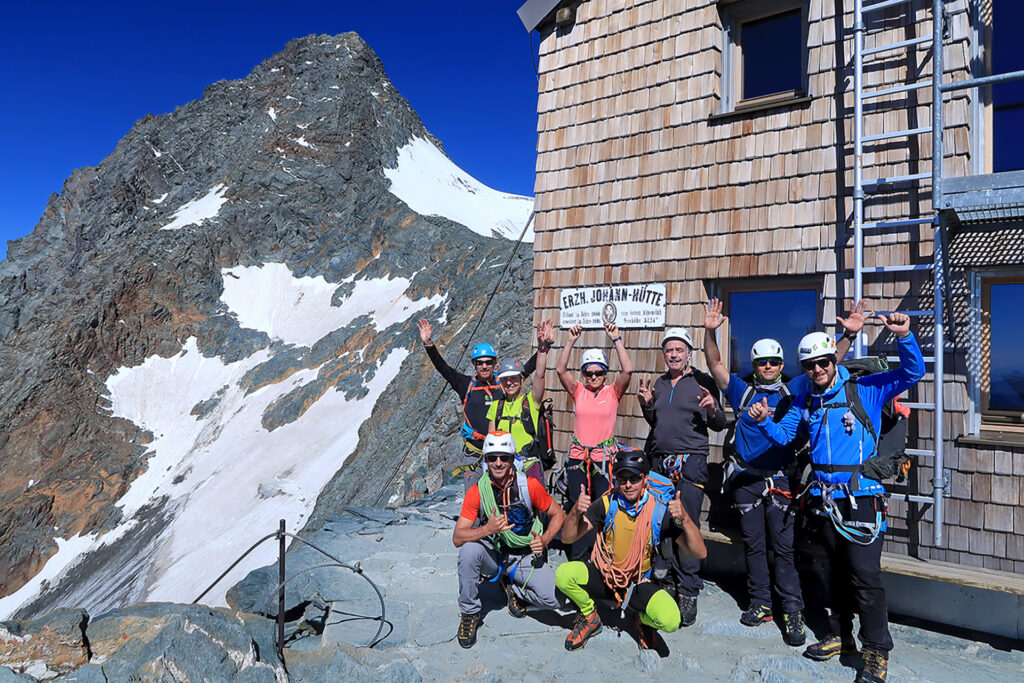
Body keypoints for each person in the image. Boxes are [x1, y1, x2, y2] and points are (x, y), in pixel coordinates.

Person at [749, 312, 924, 683]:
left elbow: (911, 373)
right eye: (810, 365)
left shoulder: (865, 389)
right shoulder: (804, 401)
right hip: (823, 500)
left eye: (823, 363)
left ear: (834, 360)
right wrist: (764, 420)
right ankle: (839, 638)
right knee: (829, 574)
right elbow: (785, 437)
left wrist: (905, 336)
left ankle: (876, 652)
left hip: (861, 498)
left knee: (864, 576)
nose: (817, 370)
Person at [702, 298, 865, 646]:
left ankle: (792, 609)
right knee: (754, 545)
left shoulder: (796, 390)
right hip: (747, 478)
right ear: (755, 364)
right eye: (762, 362)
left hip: (780, 480)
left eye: (775, 361)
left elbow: (827, 362)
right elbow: (715, 364)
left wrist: (848, 337)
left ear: (781, 365)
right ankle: (761, 603)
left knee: (785, 548)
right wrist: (709, 332)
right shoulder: (741, 392)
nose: (769, 367)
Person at [555, 449, 707, 651]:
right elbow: (568, 537)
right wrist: (575, 512)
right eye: (622, 478)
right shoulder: (607, 503)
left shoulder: (658, 511)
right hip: (605, 575)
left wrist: (685, 519)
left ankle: (642, 620)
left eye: (634, 478)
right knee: (564, 574)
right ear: (616, 479)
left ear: (645, 478)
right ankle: (590, 616)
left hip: (638, 582)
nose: (627, 485)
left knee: (670, 620)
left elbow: (700, 553)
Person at [636, 326, 725, 627]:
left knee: (686, 524)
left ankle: (689, 589)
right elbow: (655, 423)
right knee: (660, 523)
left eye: (678, 349)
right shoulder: (660, 384)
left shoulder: (702, 381)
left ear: (688, 352)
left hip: (690, 464)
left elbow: (720, 423)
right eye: (669, 350)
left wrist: (712, 408)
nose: (673, 354)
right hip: (659, 463)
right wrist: (646, 405)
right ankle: (667, 580)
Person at [452, 430, 567, 648]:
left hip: (522, 554)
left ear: (512, 459)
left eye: (504, 457)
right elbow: (458, 537)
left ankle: (514, 589)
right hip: (494, 554)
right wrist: (487, 529)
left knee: (555, 600)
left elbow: (558, 514)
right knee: (468, 551)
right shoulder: (477, 491)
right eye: (492, 457)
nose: (498, 463)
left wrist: (544, 540)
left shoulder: (529, 486)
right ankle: (469, 613)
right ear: (485, 460)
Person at [417, 318, 536, 491]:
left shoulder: (504, 383)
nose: (484, 366)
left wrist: (543, 347)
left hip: (500, 455)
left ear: (495, 363)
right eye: (480, 362)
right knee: (473, 501)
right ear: (474, 364)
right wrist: (428, 344)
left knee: (501, 498)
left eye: (488, 362)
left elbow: (526, 369)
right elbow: (444, 369)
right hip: (474, 453)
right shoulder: (466, 385)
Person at [555, 321, 634, 559]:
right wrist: (570, 341)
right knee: (578, 504)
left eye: (599, 372)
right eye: (588, 372)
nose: (593, 377)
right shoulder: (579, 391)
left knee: (603, 505)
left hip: (603, 459)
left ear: (605, 373)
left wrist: (616, 339)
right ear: (583, 374)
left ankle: (601, 552)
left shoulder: (613, 393)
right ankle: (579, 555)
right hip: (579, 457)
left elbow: (627, 371)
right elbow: (560, 370)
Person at [487, 320, 554, 478]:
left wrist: (542, 349)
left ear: (522, 378)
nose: (509, 382)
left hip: (528, 465)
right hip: (502, 468)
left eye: (514, 378)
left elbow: (540, 375)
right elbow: (490, 441)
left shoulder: (531, 401)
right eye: (505, 379)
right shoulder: (496, 406)